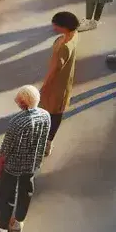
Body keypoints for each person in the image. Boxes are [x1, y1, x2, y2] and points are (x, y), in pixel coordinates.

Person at [0, 86, 51, 232]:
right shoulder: (46, 116)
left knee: (6, 195)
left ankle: (2, 229)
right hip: (32, 163)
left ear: (24, 102)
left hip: (14, 165)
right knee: (26, 191)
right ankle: (18, 223)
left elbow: (6, 149)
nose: (16, 101)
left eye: (19, 99)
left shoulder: (17, 121)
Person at [40, 11, 79, 151]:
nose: (54, 28)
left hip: (56, 85)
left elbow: (56, 68)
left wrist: (45, 85)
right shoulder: (73, 35)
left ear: (64, 27)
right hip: (65, 82)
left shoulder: (64, 47)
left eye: (56, 25)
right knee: (54, 111)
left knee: (55, 113)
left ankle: (47, 142)